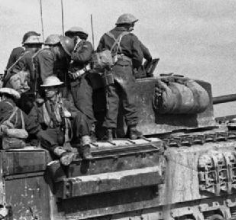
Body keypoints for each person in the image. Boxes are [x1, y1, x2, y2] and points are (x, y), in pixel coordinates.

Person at [96, 13, 152, 141]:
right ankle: (132, 130)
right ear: (127, 25)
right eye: (132, 24)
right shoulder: (131, 37)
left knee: (111, 101)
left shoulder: (105, 36)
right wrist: (134, 67)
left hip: (109, 70)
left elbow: (98, 53)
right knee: (129, 99)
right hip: (124, 69)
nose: (133, 27)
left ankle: (109, 132)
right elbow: (139, 57)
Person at [36, 76, 93, 165]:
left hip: (66, 132)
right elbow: (37, 124)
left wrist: (70, 114)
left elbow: (77, 114)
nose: (46, 90)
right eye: (45, 88)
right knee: (40, 133)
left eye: (49, 88)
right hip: (53, 135)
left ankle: (86, 147)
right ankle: (61, 152)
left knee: (81, 116)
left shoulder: (66, 103)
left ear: (56, 90)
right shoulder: (41, 106)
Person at [65, 26, 96, 128]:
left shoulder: (86, 45)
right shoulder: (74, 48)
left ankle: (90, 130)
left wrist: (69, 54)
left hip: (83, 80)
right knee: (74, 108)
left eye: (70, 37)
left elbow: (83, 57)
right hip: (73, 82)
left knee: (84, 107)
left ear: (76, 37)